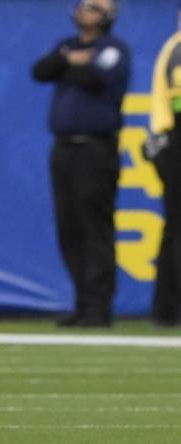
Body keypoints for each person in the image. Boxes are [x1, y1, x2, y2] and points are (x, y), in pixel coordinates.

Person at [32, 0, 130, 328]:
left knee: (94, 227)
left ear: (106, 17)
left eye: (92, 7)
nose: (83, 10)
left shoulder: (114, 49)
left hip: (96, 149)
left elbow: (95, 78)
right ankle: (82, 302)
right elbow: (40, 71)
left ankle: (99, 308)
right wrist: (66, 59)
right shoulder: (67, 45)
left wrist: (68, 65)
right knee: (69, 227)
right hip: (64, 149)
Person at [144, 1, 181, 327]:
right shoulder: (177, 48)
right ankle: (169, 309)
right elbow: (176, 97)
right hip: (175, 141)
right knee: (176, 227)